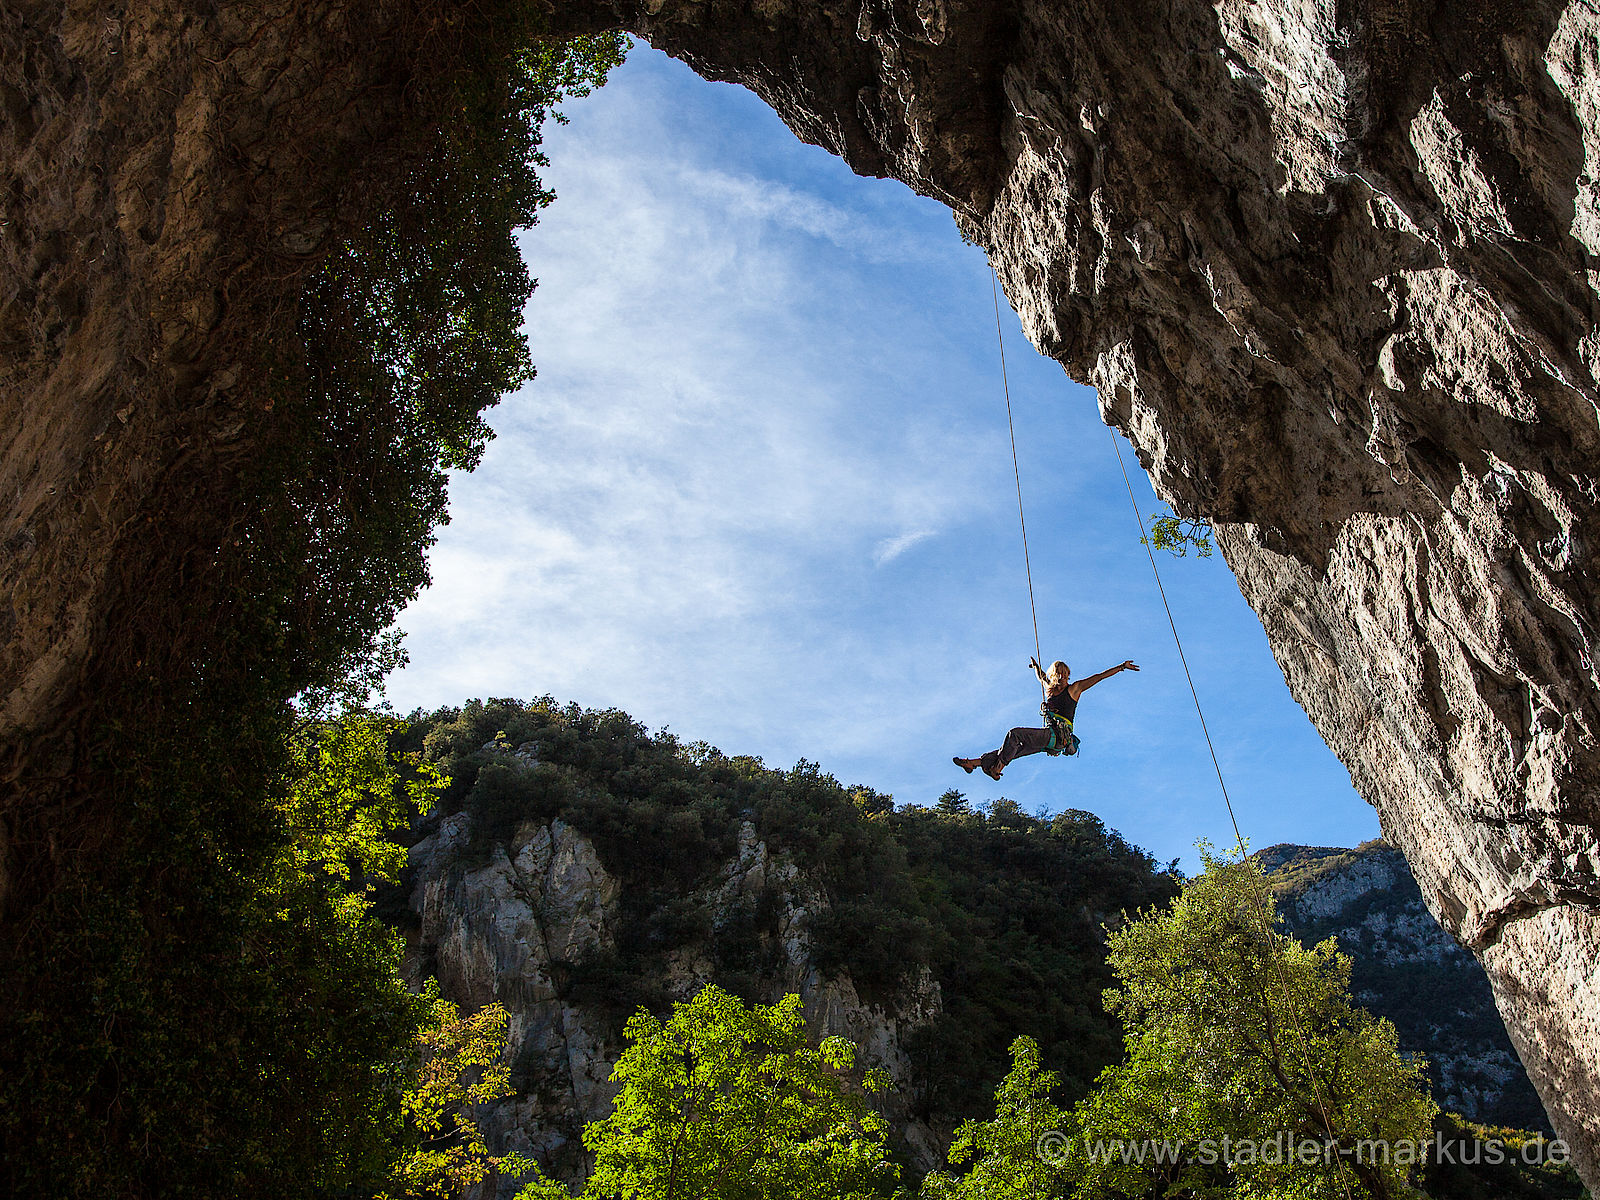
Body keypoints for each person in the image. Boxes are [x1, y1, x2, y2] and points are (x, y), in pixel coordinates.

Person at [954, 656, 1139, 780]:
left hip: (1057, 737)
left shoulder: (1073, 689)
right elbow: (1041, 677)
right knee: (1012, 749)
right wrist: (1036, 667)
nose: (1063, 677)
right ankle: (974, 763)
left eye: (1066, 675)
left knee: (1015, 735)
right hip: (1049, 740)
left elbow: (1098, 677)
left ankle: (997, 769)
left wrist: (1121, 667)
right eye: (1059, 674)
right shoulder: (1050, 690)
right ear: (1054, 674)